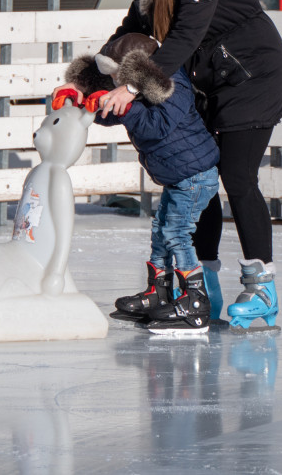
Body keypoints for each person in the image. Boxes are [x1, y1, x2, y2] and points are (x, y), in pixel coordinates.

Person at [58, 0, 282, 332]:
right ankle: (199, 287)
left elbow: (184, 36)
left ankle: (263, 288)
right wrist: (86, 80)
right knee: (195, 172)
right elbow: (131, 28)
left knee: (237, 178)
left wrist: (131, 84)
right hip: (209, 82)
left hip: (253, 76)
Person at [62, 32, 220, 334]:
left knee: (177, 233)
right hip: (178, 177)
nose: (116, 86)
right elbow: (119, 113)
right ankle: (158, 292)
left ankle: (195, 300)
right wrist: (88, 104)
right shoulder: (140, 89)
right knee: (162, 231)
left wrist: (127, 107)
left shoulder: (173, 86)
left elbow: (155, 126)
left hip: (195, 176)